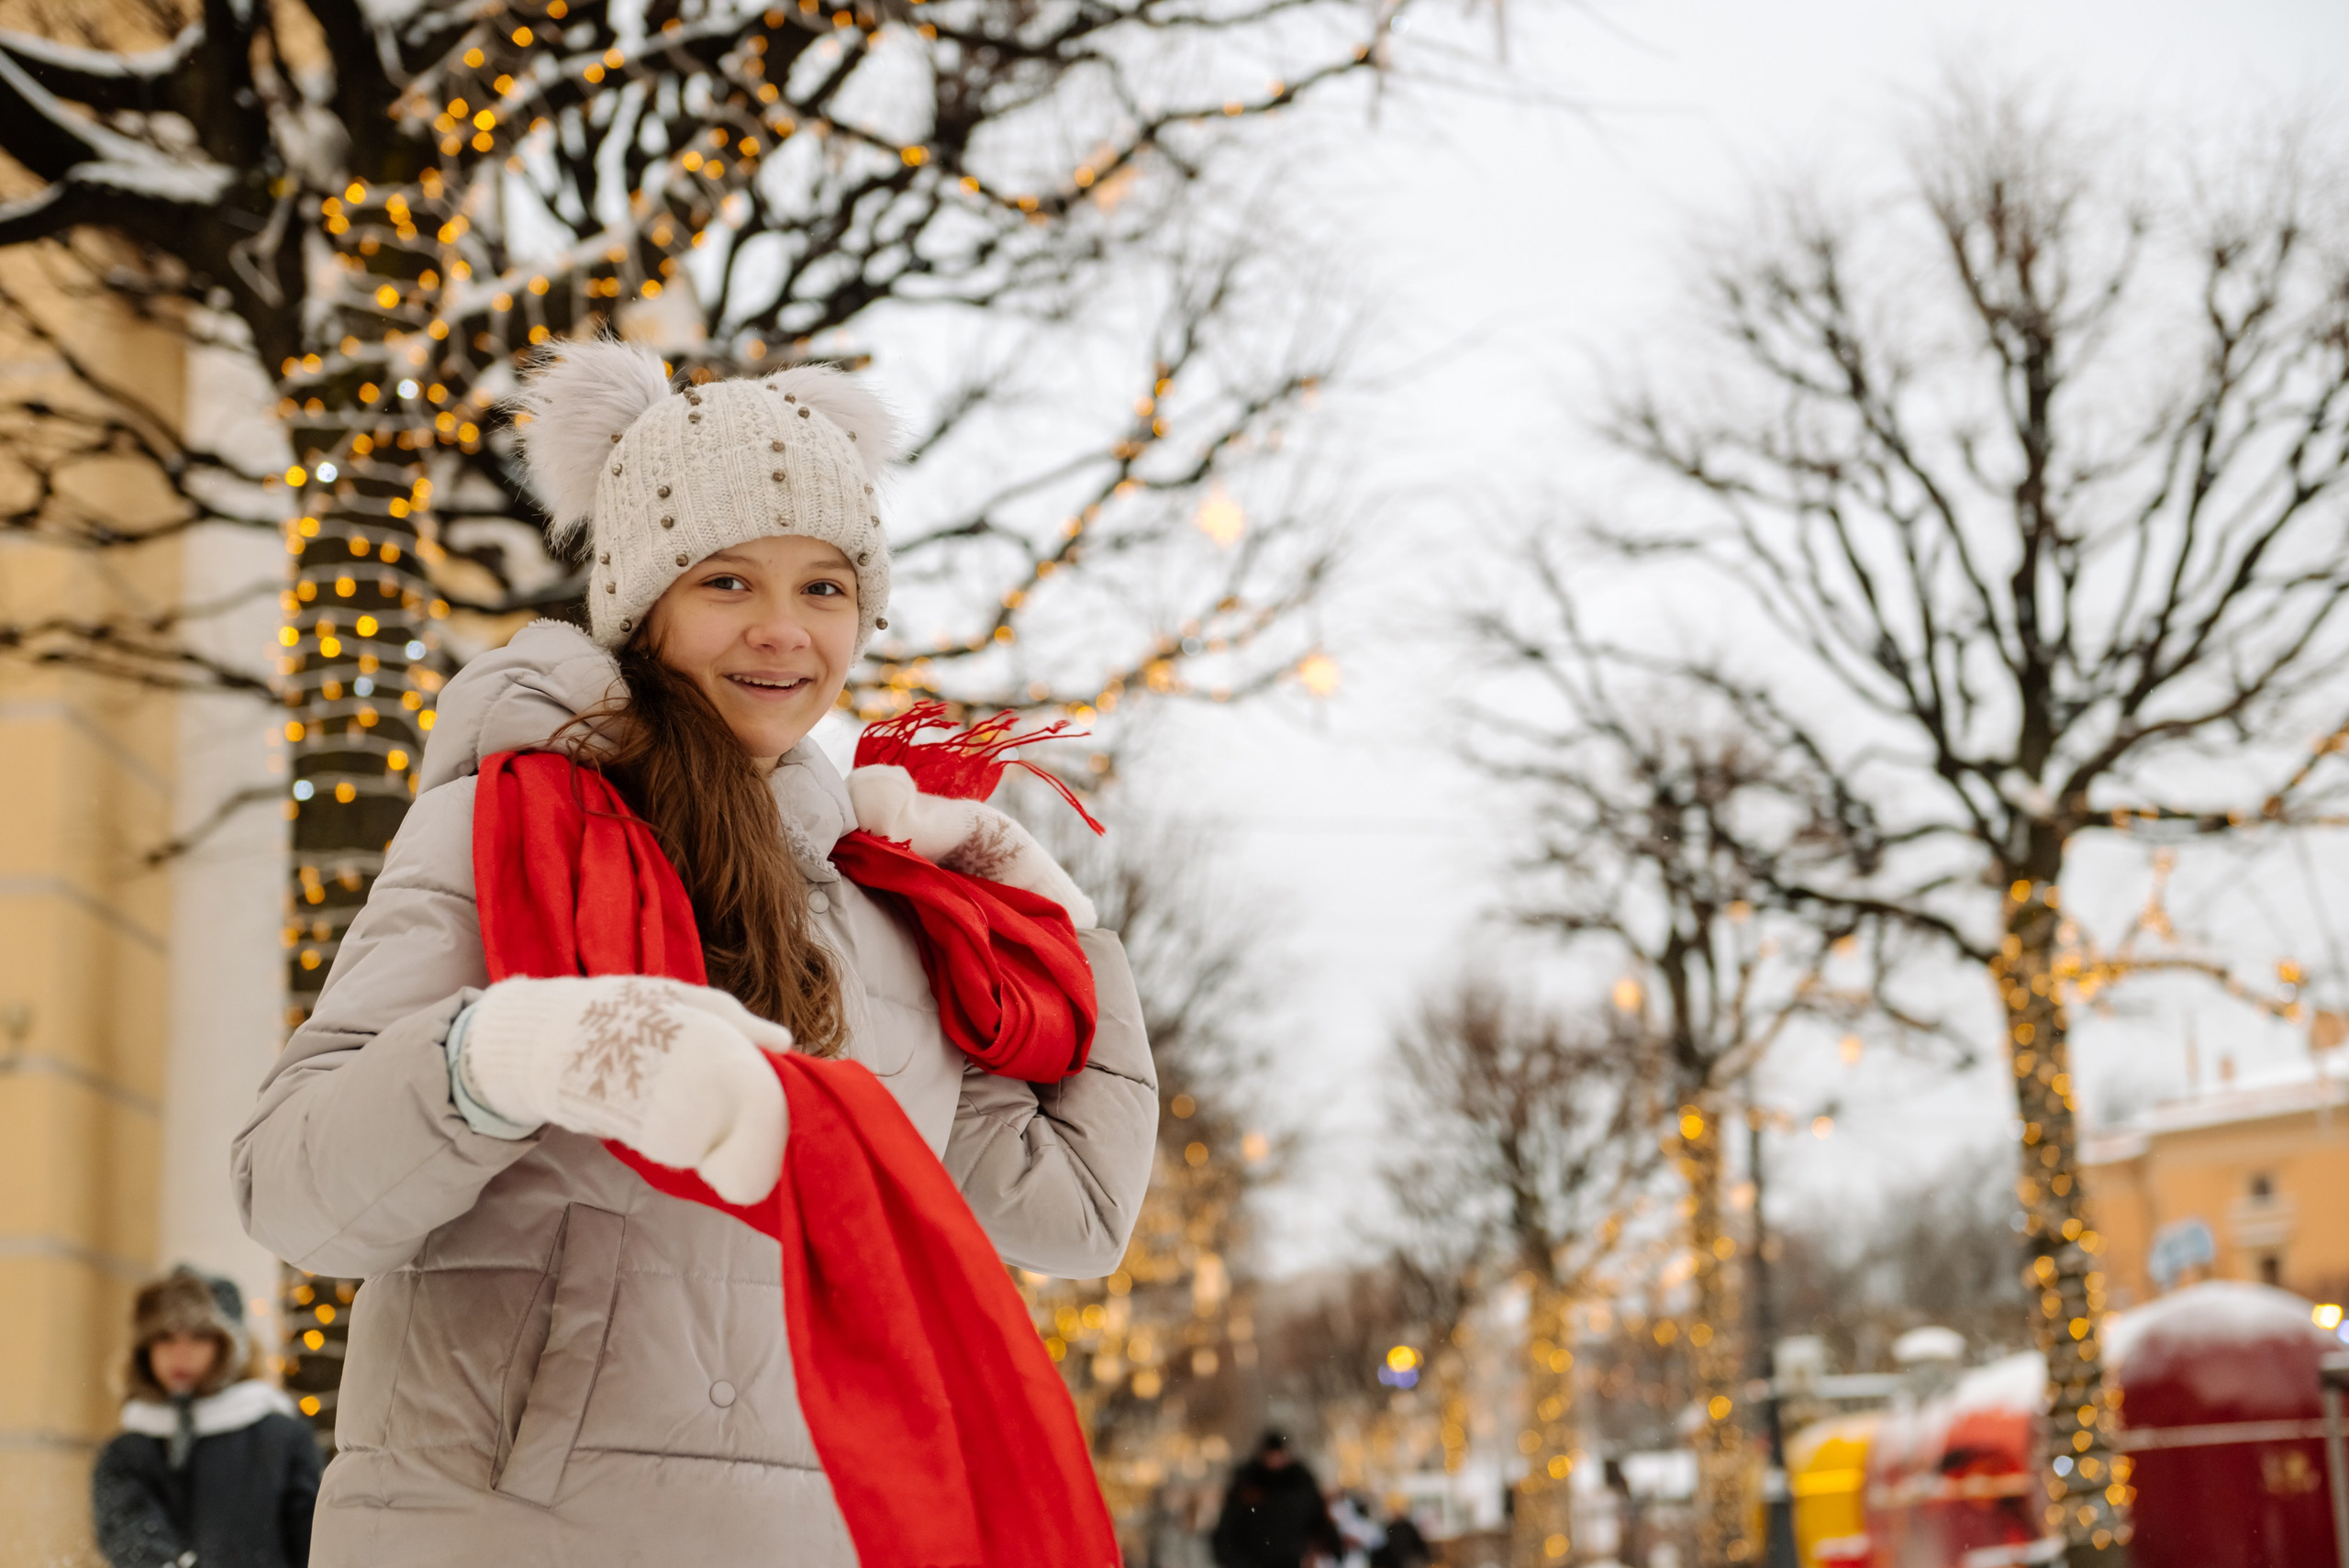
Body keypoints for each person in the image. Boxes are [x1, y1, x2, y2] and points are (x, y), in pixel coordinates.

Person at [233, 345, 1158, 1565]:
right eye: (728, 580)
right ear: (645, 600)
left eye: (826, 587)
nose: (782, 631)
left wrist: (1059, 925)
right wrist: (509, 1054)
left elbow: (1075, 1210)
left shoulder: (884, 906)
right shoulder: (504, 827)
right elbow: (296, 1193)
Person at [91, 1267, 320, 1568]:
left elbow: (314, 1546)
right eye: (165, 1337)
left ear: (229, 1345)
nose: (180, 1353)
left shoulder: (283, 1440)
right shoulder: (127, 1453)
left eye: (199, 1337)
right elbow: (130, 1537)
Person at [1211, 1431, 1342, 1568]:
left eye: (1278, 1455)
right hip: (1254, 1561)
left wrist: (1334, 1546)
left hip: (1292, 1559)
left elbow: (1317, 1519)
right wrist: (1234, 1560)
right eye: (1271, 1455)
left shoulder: (1300, 1483)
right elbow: (1228, 1527)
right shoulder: (1247, 1484)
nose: (1275, 1460)